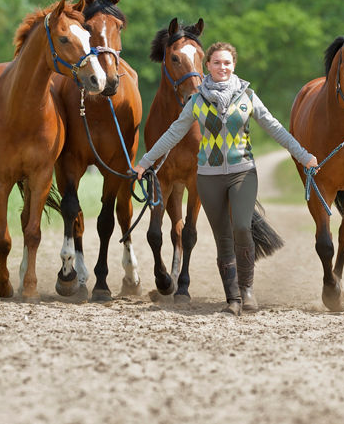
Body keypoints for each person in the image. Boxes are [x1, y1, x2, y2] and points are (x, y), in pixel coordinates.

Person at [134, 41, 318, 316]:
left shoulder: (248, 97)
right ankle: (232, 298)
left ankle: (247, 291)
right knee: (223, 238)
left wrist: (303, 156)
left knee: (242, 228)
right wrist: (146, 162)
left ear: (234, 66)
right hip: (208, 177)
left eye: (227, 63)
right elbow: (173, 133)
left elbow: (275, 128)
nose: (223, 67)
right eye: (217, 62)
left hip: (242, 172)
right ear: (207, 65)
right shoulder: (196, 101)